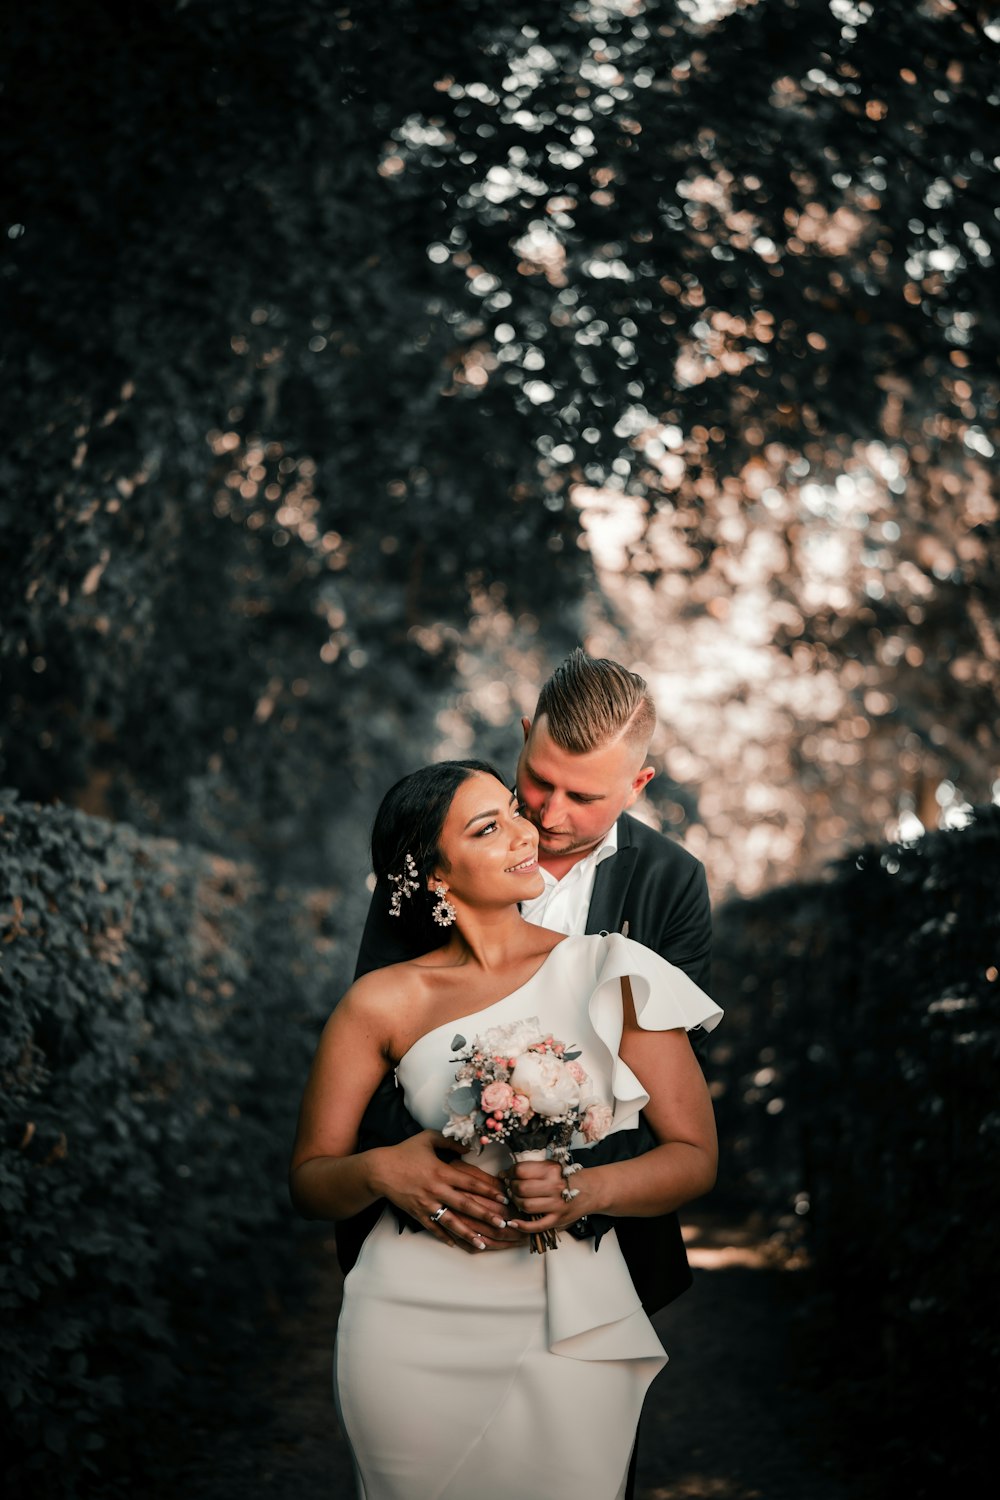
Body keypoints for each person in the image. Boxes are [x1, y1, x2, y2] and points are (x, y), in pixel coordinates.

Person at [290, 759, 721, 1499]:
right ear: (435, 877)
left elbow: (695, 1157)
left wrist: (585, 1190)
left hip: (570, 1313)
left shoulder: (615, 969)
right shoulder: (380, 1003)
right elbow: (309, 1180)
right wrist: (380, 1169)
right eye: (489, 828)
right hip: (408, 1317)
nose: (527, 833)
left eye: (513, 812)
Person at [341, 651, 712, 1318]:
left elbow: (671, 1092)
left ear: (638, 784)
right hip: (430, 1244)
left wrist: (570, 1186)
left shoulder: (671, 881)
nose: (547, 814)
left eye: (585, 796)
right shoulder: (439, 838)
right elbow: (370, 1049)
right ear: (523, 734)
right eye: (538, 781)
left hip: (600, 1255)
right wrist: (442, 1175)